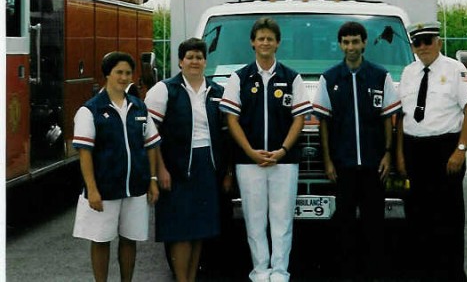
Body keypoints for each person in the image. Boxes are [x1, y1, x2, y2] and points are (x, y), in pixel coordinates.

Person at [220, 17, 312, 282]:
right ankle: (260, 270)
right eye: (260, 38)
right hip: (249, 162)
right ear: (252, 42)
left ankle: (280, 271)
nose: (265, 42)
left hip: (284, 161)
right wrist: (249, 151)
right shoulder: (238, 78)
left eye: (270, 38)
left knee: (282, 220)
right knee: (255, 219)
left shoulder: (292, 78)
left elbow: (299, 118)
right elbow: (231, 119)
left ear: (278, 43)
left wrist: (283, 150)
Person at [312, 21, 401, 279]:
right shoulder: (329, 78)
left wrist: (387, 153)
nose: (351, 46)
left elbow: (388, 118)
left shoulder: (380, 76)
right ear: (340, 45)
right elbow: (324, 123)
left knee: (375, 223)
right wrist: (328, 161)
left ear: (364, 43)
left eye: (355, 41)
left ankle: (374, 272)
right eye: (346, 42)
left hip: (374, 165)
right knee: (345, 223)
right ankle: (348, 272)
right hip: (343, 165)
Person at [396, 22, 467, 282]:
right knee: (417, 216)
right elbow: (401, 117)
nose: (423, 47)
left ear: (439, 42)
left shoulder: (456, 70)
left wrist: (461, 150)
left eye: (428, 41)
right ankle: (423, 273)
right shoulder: (408, 72)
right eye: (417, 43)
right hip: (414, 150)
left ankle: (452, 275)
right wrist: (400, 154)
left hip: (445, 150)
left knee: (449, 218)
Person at [144, 37, 231, 282]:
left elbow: (225, 136)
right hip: (176, 168)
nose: (195, 61)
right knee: (180, 232)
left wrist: (226, 172)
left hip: (208, 167)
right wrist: (160, 169)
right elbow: (151, 133)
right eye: (190, 57)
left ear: (205, 61)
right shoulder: (164, 90)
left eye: (199, 57)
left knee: (199, 231)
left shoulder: (217, 91)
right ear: (181, 61)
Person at [72, 51, 161, 282]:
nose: (124, 77)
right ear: (107, 75)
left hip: (135, 188)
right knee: (101, 239)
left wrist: (152, 180)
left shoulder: (139, 108)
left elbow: (151, 145)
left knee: (130, 239)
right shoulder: (89, 110)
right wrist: (92, 189)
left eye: (128, 73)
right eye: (119, 72)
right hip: (105, 189)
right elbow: (85, 153)